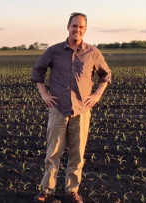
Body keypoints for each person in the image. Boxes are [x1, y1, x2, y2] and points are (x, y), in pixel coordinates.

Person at [32, 12, 111, 203]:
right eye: (74, 26)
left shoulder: (93, 53)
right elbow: (38, 71)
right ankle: (47, 190)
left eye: (81, 27)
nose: (77, 29)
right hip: (58, 108)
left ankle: (71, 191)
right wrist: (43, 93)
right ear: (68, 27)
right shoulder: (54, 51)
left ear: (85, 29)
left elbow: (105, 76)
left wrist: (97, 95)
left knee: (77, 153)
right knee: (53, 152)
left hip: (82, 110)